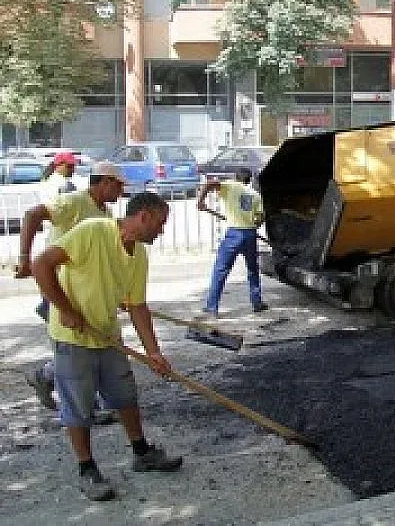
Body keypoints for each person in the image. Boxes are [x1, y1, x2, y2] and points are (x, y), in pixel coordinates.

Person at [31, 192, 182, 501]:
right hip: (72, 338)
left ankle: (142, 453)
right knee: (79, 407)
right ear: (144, 217)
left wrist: (153, 353)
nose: (162, 231)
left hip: (108, 336)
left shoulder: (138, 254)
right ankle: (87, 469)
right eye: (161, 223)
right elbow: (41, 265)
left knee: (125, 395)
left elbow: (138, 306)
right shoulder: (94, 231)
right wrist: (65, 309)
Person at [17, 161, 125, 420]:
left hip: (88, 288)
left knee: (90, 343)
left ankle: (60, 385)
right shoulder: (74, 202)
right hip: (59, 286)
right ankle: (56, 384)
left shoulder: (105, 214)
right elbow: (33, 215)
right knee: (76, 346)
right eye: (119, 186)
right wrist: (25, 258)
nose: (120, 192)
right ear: (106, 182)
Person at [197, 168, 267, 316]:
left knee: (221, 269)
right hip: (250, 234)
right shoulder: (256, 195)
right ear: (249, 180)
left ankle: (212, 307)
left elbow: (210, 183)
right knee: (252, 269)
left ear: (237, 178)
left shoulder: (230, 186)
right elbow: (260, 218)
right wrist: (253, 224)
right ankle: (257, 302)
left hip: (234, 234)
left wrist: (200, 200)